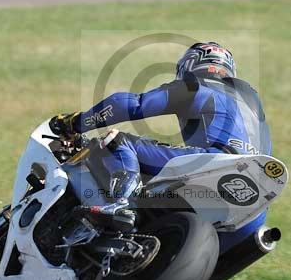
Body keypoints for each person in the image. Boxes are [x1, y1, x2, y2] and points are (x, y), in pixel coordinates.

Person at [50, 42, 271, 236]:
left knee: (117, 141)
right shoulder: (253, 104)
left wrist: (74, 123)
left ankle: (123, 204)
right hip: (256, 205)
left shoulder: (196, 86)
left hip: (216, 161)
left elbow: (126, 105)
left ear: (188, 66)